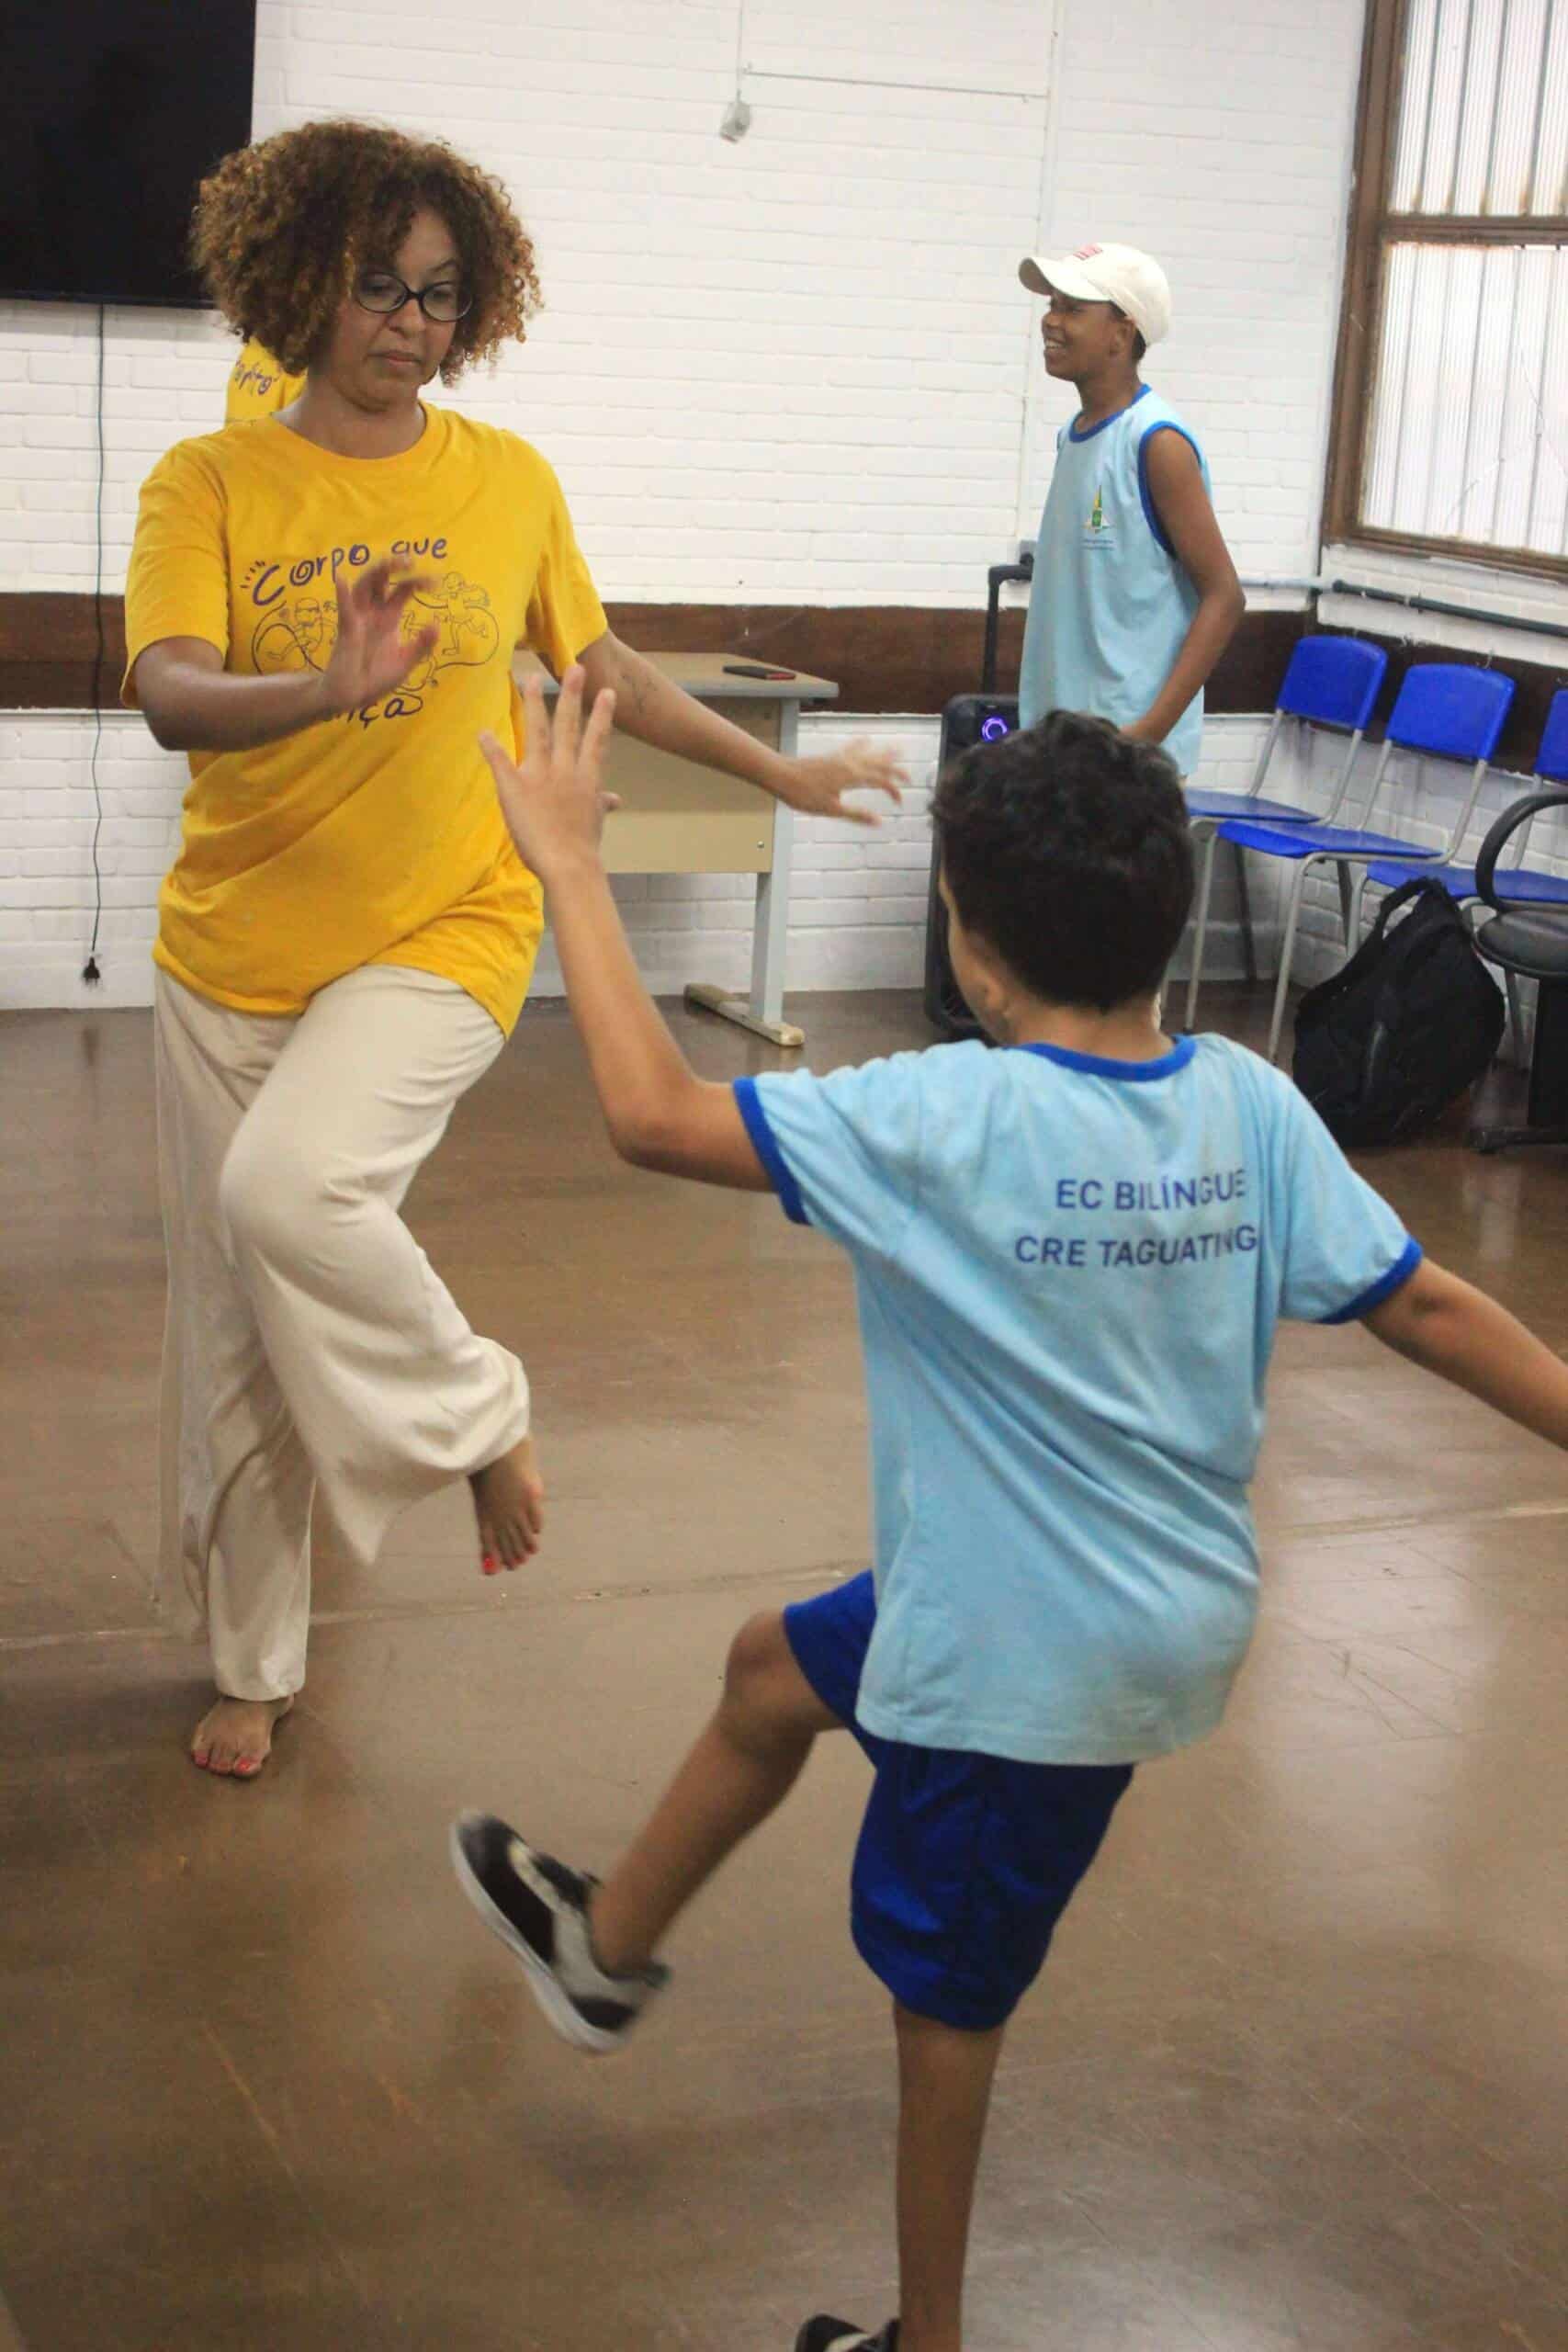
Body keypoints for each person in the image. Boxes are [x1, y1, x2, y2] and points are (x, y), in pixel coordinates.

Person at [451, 673, 1568, 2352]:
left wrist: (572, 869)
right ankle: (604, 1951)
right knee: (774, 1670)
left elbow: (648, 1115)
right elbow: (1420, 1304)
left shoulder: (938, 1117)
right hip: (1094, 1599)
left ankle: (929, 2339)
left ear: (969, 945)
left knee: (945, 2001)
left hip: (1018, 1669)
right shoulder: (1249, 1104)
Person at [124, 118, 904, 1781]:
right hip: (231, 953)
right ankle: (255, 1661)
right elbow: (168, 689)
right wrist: (322, 689)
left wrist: (778, 768)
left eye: (439, 294)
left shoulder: (506, 480)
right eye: (377, 286)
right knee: (240, 1334)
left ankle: (480, 1414)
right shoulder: (210, 480)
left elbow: (599, 656)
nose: (411, 320)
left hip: (444, 926)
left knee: (290, 1196)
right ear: (297, 286)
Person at [1016, 242, 1245, 777]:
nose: (1051, 322)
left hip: (1124, 764)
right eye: (1051, 304)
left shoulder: (1157, 442)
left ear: (1123, 331)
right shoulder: (1072, 439)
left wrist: (1144, 737)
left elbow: (1224, 597)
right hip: (1059, 749)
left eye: (1072, 309)